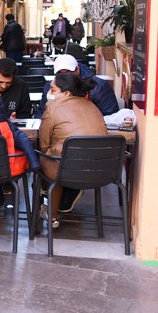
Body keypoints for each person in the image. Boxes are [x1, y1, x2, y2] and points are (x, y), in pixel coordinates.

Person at [39, 73, 108, 226]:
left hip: (66, 170)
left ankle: (52, 214)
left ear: (66, 93)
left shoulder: (52, 108)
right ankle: (66, 196)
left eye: (52, 89)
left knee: (44, 158)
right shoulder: (93, 106)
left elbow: (44, 146)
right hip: (102, 171)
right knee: (60, 158)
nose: (49, 93)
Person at [35, 54, 119, 118]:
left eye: (68, 72)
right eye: (60, 73)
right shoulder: (50, 88)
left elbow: (111, 117)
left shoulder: (98, 87)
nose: (65, 76)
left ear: (78, 70)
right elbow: (42, 113)